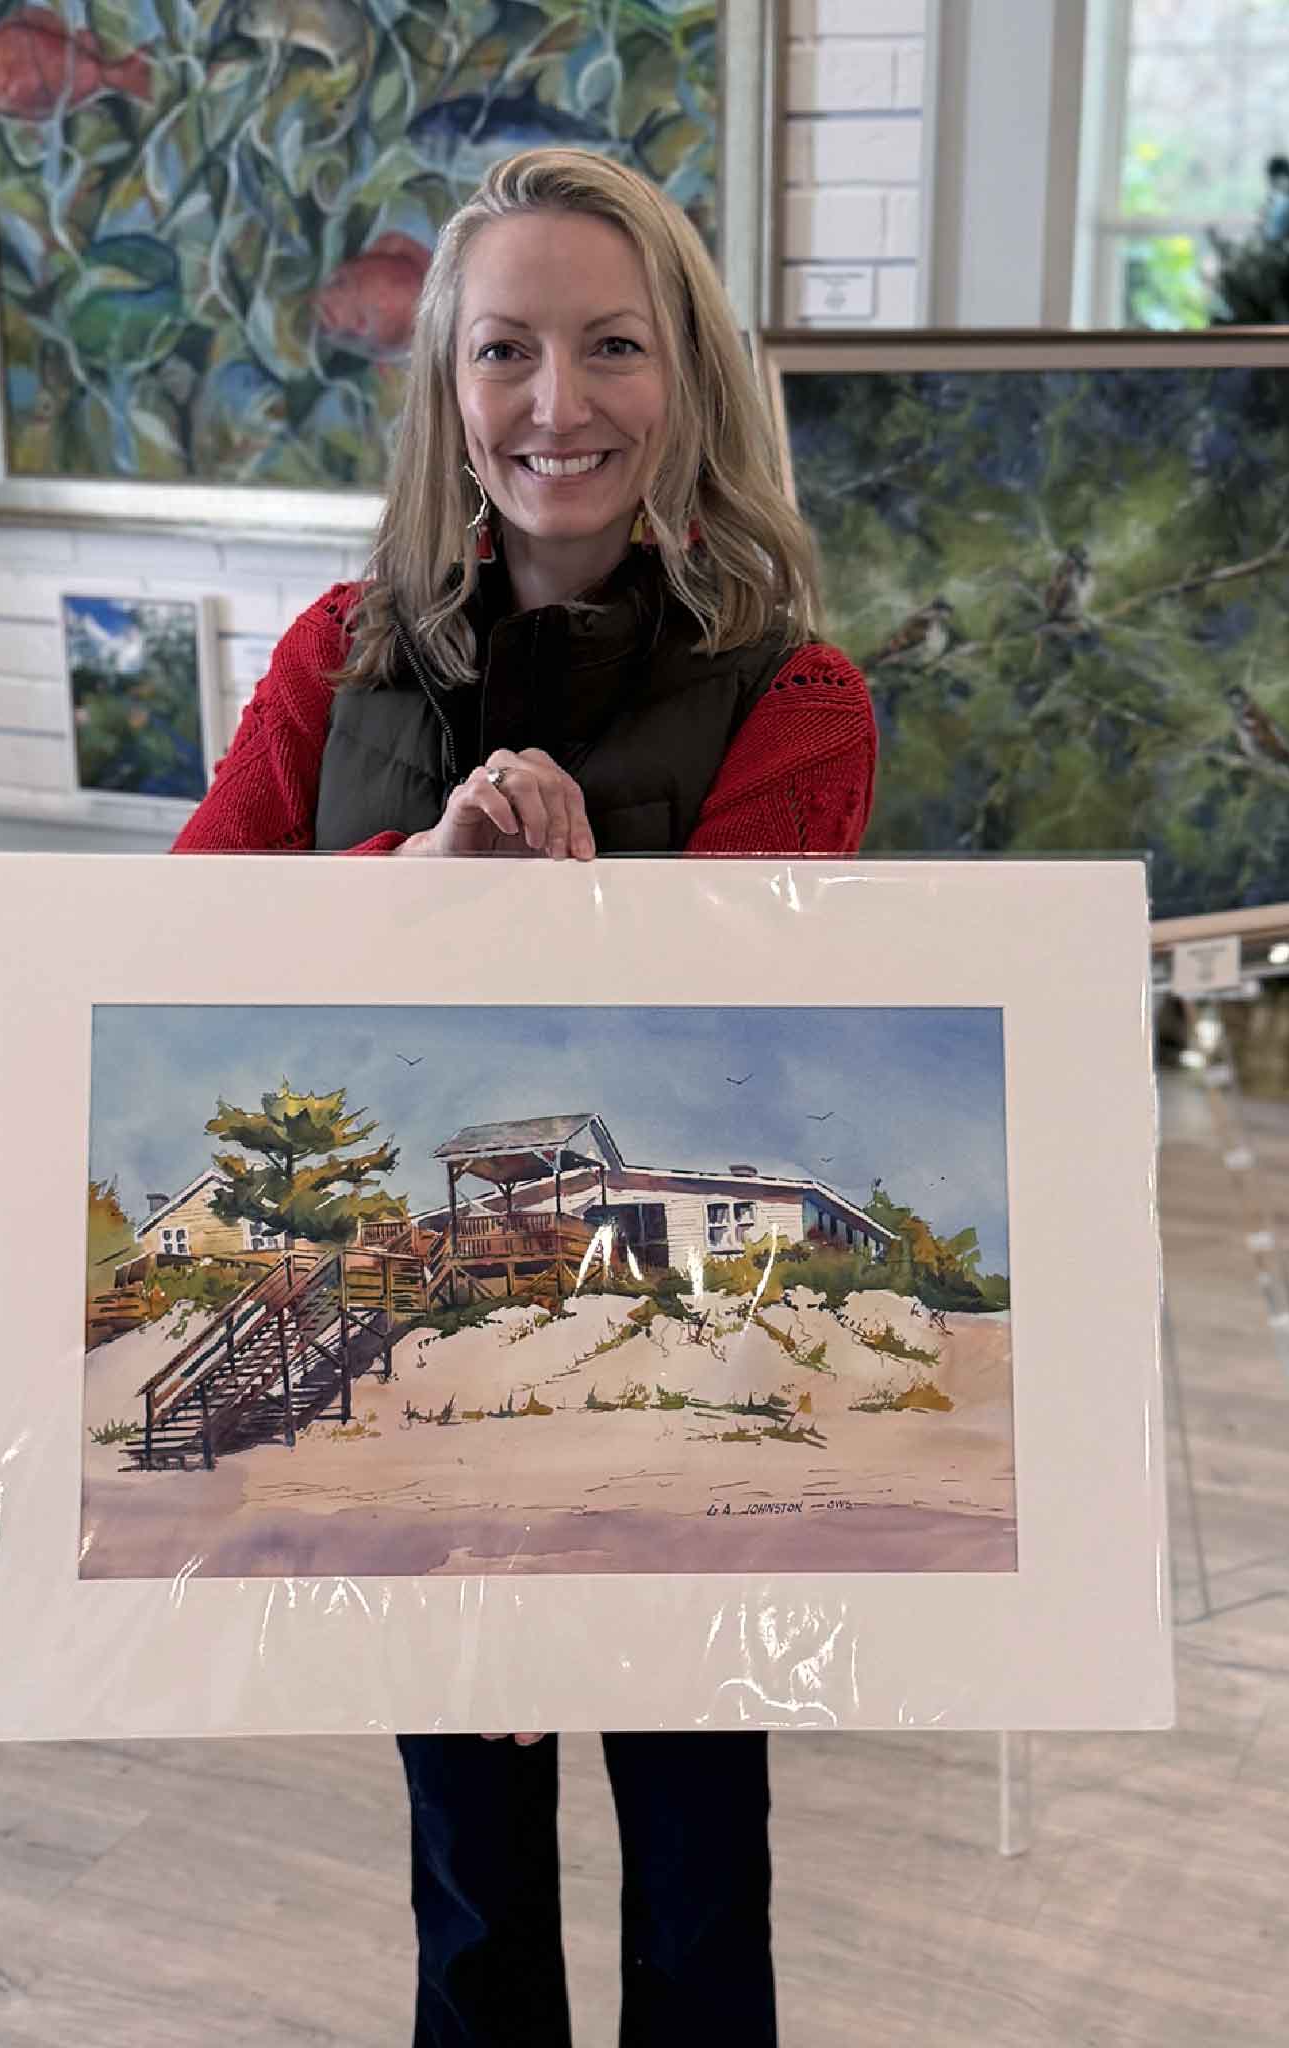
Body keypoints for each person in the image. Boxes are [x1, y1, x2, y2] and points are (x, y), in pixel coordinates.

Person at [175, 147, 876, 2048]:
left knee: (697, 1905)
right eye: (505, 350)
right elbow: (170, 954)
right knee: (473, 1907)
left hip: (681, 1407)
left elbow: (767, 1072)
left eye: (611, 347)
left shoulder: (795, 699)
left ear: (691, 382)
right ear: (447, 387)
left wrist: (582, 924)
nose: (556, 405)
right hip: (424, 1393)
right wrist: (417, 885)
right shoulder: (338, 658)